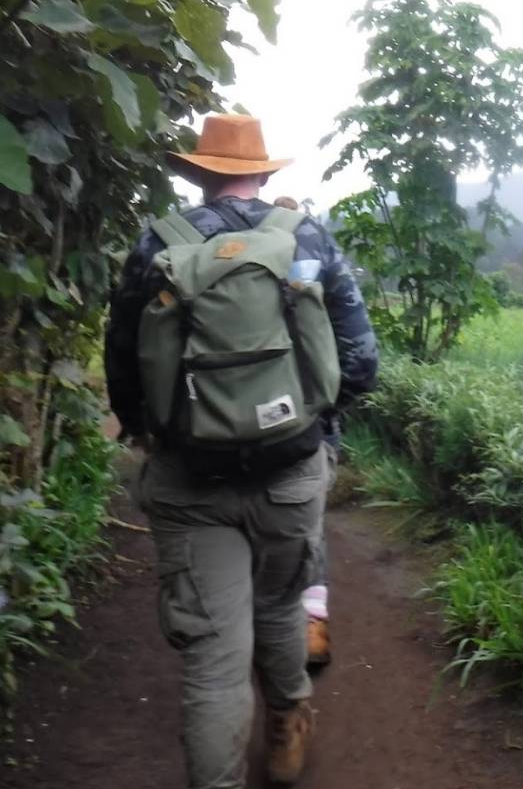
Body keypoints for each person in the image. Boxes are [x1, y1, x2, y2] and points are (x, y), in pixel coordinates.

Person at [104, 114, 378, 788]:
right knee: (281, 604)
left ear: (198, 175)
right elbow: (359, 359)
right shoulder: (304, 236)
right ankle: (287, 724)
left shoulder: (157, 244)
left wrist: (148, 429)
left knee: (212, 658)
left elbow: (123, 360)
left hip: (190, 476)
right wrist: (316, 422)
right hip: (289, 469)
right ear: (264, 172)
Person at [272, 195, 335, 665]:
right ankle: (312, 621)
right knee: (307, 526)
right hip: (307, 421)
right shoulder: (315, 254)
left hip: (227, 418)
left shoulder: (219, 258)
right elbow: (356, 354)